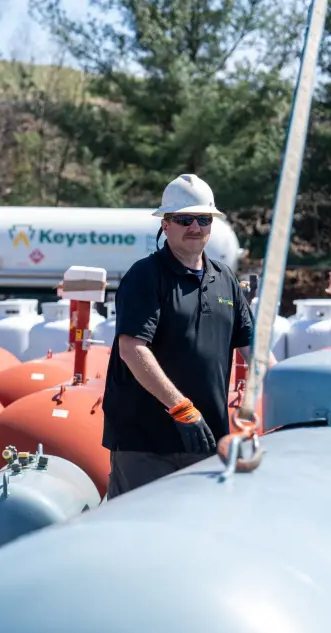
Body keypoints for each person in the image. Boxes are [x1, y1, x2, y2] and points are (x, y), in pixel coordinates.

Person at [101, 173, 273, 500]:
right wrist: (181, 409)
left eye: (203, 219)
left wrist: (277, 397)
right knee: (141, 534)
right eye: (184, 219)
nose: (195, 227)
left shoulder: (225, 280)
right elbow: (132, 349)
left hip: (206, 440)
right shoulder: (146, 276)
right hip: (146, 445)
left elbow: (254, 351)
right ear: (165, 224)